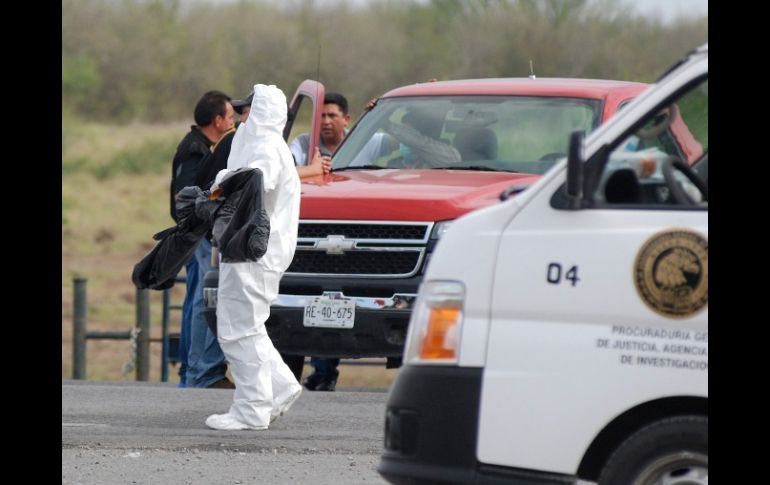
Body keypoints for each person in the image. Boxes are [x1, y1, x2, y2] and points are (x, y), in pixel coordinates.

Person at [205, 84, 304, 431]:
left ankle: (251, 408)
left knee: (237, 328)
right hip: (251, 248)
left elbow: (251, 183)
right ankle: (280, 387)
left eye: (246, 111)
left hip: (254, 252)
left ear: (261, 114)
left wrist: (218, 183)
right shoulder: (265, 146)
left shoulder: (266, 150)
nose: (241, 118)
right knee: (249, 325)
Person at [170, 90, 235, 389]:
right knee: (200, 301)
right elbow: (185, 198)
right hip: (196, 236)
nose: (234, 122)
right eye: (231, 116)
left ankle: (191, 372)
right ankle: (198, 371)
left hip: (194, 235)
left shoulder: (200, 145)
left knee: (195, 301)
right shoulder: (195, 149)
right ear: (218, 120)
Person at [288, 92, 352, 391]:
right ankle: (289, 373)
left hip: (346, 238)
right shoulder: (302, 145)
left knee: (334, 301)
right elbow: (283, 174)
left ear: (346, 120)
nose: (325, 122)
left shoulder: (361, 143)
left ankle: (324, 373)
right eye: (321, 116)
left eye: (332, 116)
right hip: (305, 235)